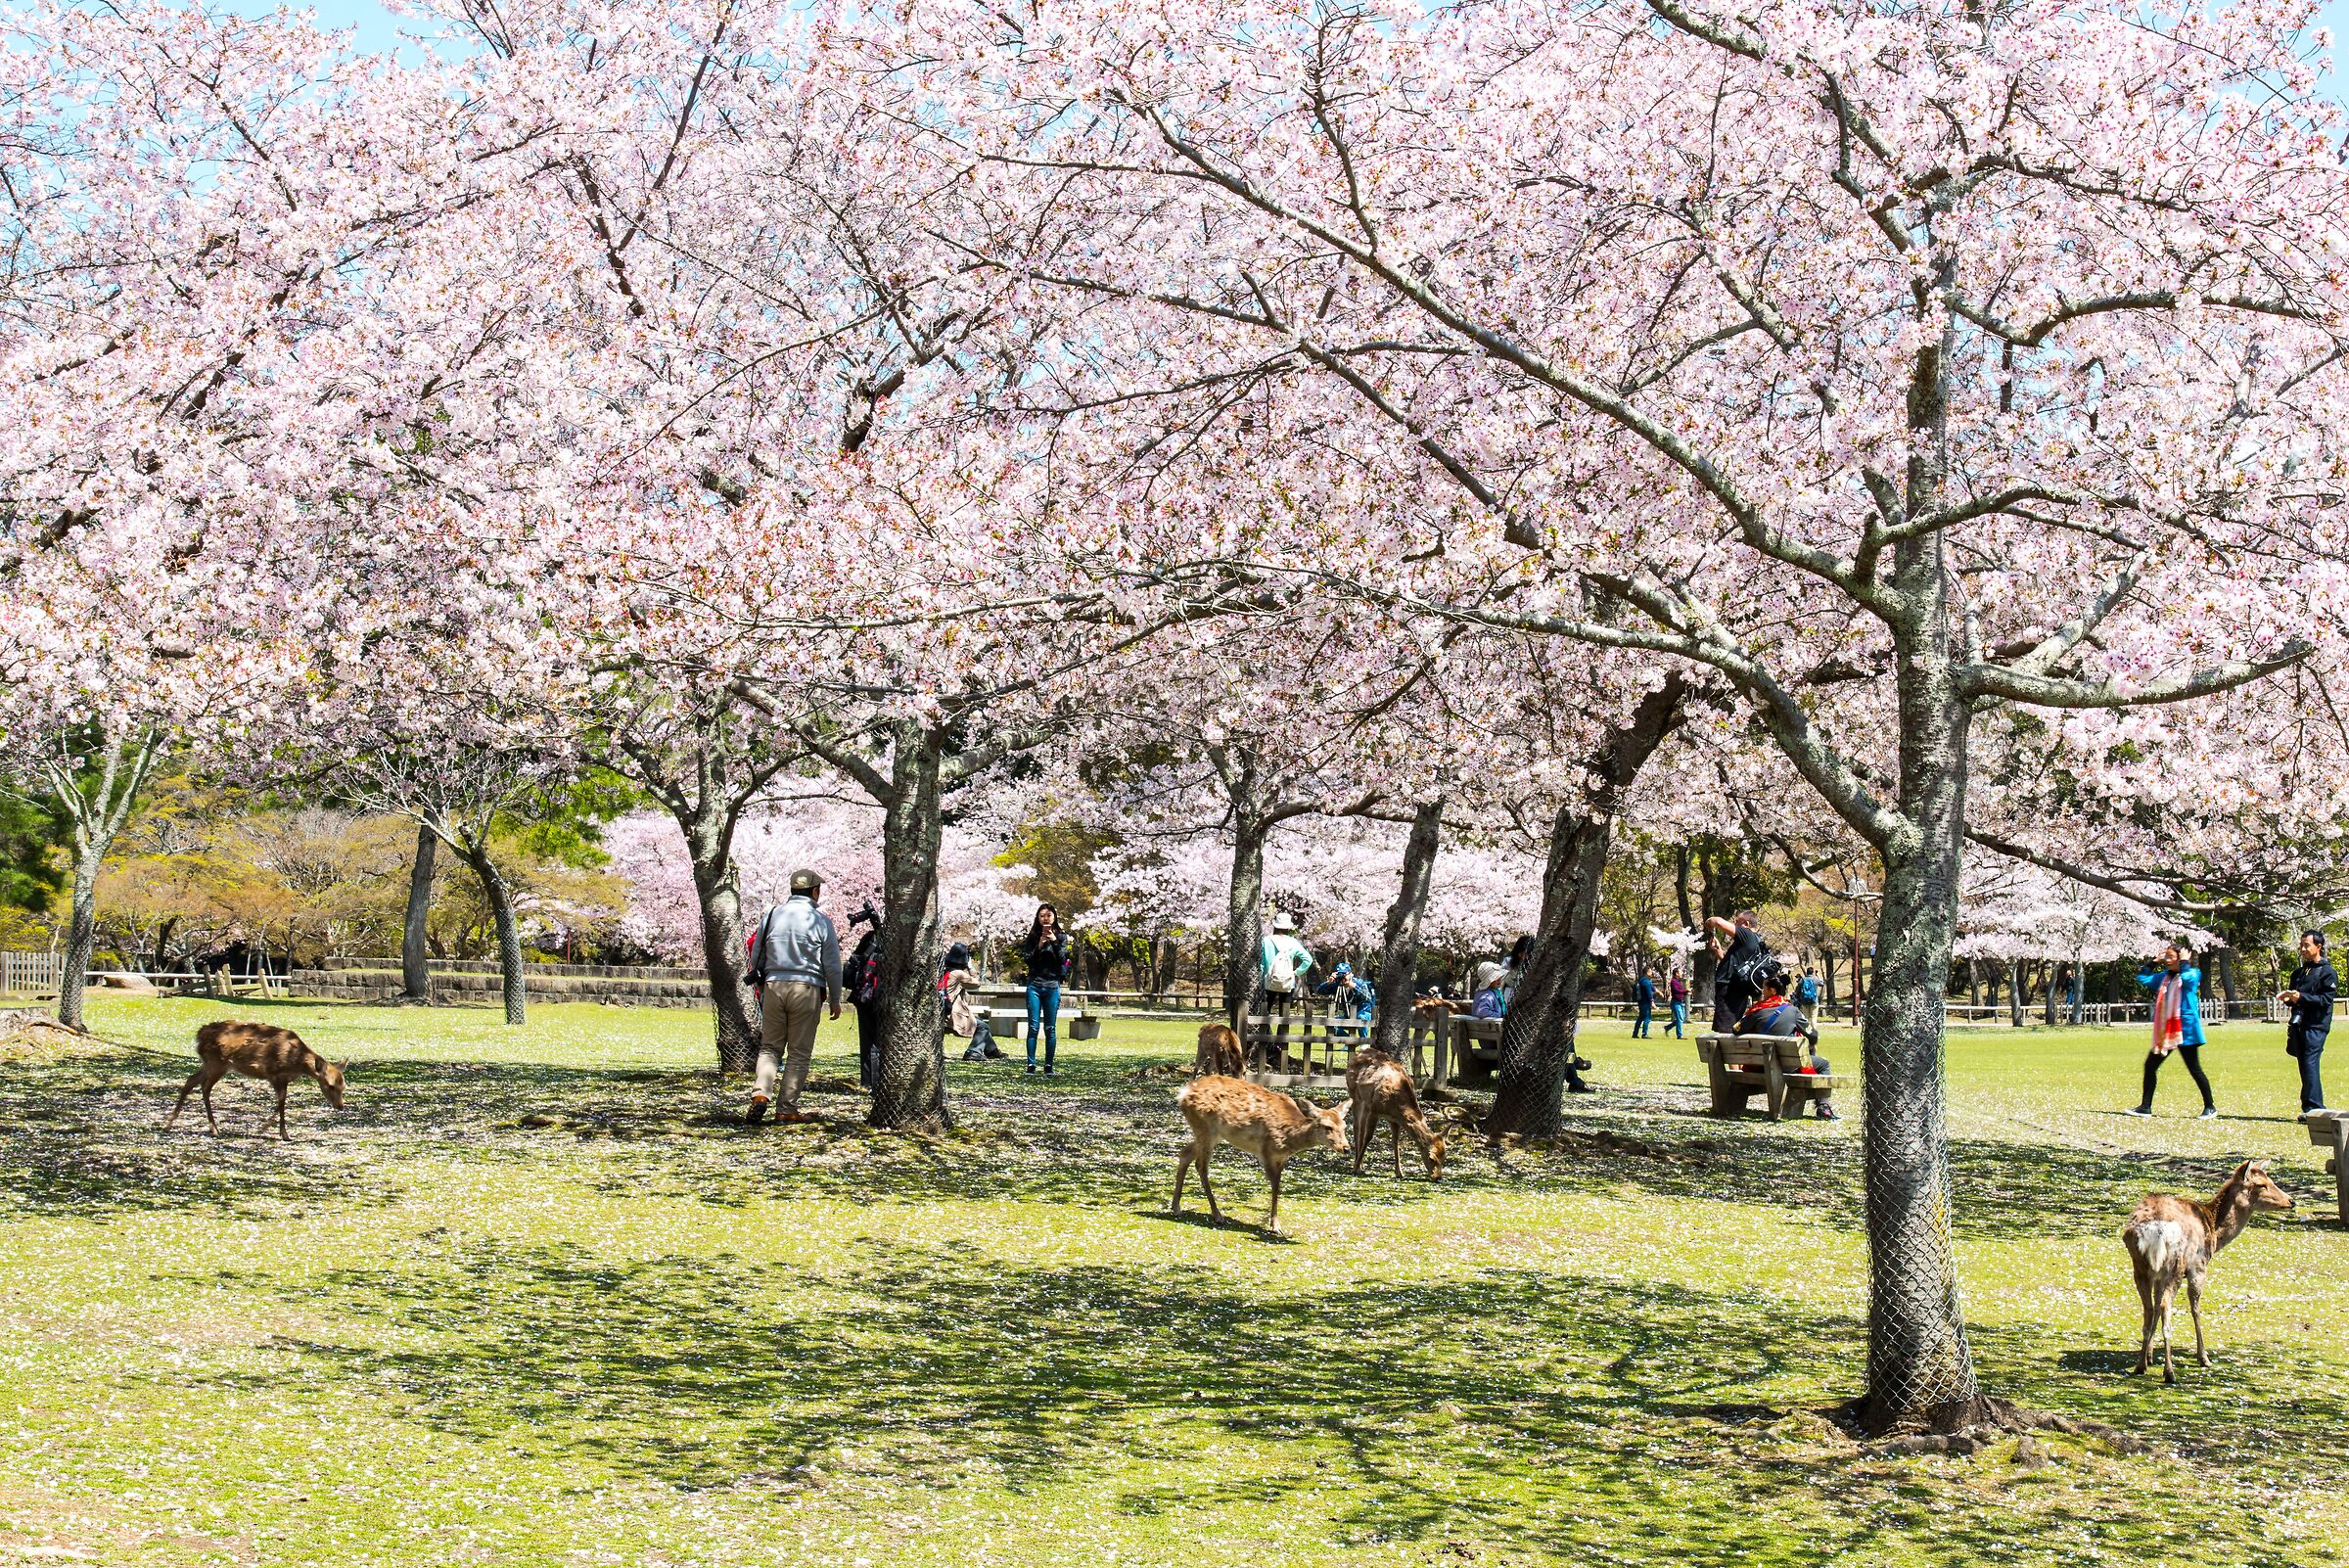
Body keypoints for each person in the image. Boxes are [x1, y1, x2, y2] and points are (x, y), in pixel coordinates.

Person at [743, 868, 842, 1127]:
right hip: (806, 987)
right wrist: (835, 998)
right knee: (798, 1052)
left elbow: (757, 953)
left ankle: (761, 1093)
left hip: (774, 986)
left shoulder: (772, 914)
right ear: (814, 891)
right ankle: (786, 1108)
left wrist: (758, 982)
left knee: (770, 1047)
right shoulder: (820, 920)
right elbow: (831, 964)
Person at [1735, 958, 1837, 1120]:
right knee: (1823, 1064)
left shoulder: (1756, 1011)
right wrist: (1810, 1046)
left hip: (1759, 1065)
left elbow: (1736, 1030)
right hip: (1788, 1066)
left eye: (1764, 989)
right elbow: (1813, 1035)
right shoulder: (1792, 1011)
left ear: (1772, 991)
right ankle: (1823, 1106)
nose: (1762, 991)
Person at [2130, 943, 2215, 1119]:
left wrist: (2184, 963)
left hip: (2186, 1031)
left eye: (2171, 957)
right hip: (2166, 1032)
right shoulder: (2164, 977)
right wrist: (2153, 962)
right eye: (2166, 957)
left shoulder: (2192, 973)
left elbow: (2189, 979)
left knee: (2195, 1069)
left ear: (2181, 959)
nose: (2167, 961)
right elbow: (2142, 978)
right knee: (2150, 1066)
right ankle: (2145, 1107)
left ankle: (2210, 1107)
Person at [2282, 930, 2336, 1112]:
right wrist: (2288, 998)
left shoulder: (2328, 973)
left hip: (2316, 1026)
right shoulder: (2298, 973)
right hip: (2298, 1024)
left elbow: (2325, 1001)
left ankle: (2314, 1108)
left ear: (2318, 947)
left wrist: (2301, 997)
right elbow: (2294, 997)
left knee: (2310, 1064)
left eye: (2307, 945)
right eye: (2301, 945)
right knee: (2304, 1066)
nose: (2303, 949)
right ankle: (2309, 1107)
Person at [1019, 903, 1072, 1076]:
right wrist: (1039, 946)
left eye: (1049, 915)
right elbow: (1028, 960)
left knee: (1050, 1028)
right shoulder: (1033, 937)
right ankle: (1031, 1065)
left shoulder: (1062, 937)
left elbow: (1063, 960)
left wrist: (1055, 942)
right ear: (1038, 918)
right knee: (1033, 1027)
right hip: (1034, 985)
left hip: (1052, 986)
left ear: (1054, 917)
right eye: (1042, 915)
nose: (1045, 918)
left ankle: (1049, 1066)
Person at [1706, 911, 1770, 1033]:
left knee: (1726, 1029)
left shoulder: (1747, 934)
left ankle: (1726, 1051)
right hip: (1738, 987)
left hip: (1729, 989)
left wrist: (1709, 922)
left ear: (1746, 924)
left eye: (1737, 922)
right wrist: (1718, 951)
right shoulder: (1756, 941)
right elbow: (1736, 967)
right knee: (1732, 1025)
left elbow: (1718, 921)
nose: (1735, 924)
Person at [843, 905, 883, 1088]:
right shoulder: (900, 942)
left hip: (866, 994)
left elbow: (855, 961)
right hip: (884, 994)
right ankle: (881, 1082)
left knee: (869, 1041)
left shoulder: (870, 939)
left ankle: (869, 1082)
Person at [1632, 965, 1656, 1038]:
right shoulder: (1646, 982)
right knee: (1647, 1018)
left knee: (1640, 1018)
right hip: (1645, 1002)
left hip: (1641, 1001)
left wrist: (1659, 992)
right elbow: (1649, 992)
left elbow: (1652, 988)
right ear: (1647, 972)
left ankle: (1635, 1033)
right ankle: (1644, 1033)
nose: (1652, 973)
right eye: (1651, 972)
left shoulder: (1642, 980)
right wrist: (1652, 1002)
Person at [1667, 966, 1688, 1038]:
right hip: (1675, 1002)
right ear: (1676, 973)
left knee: (1682, 1018)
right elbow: (1677, 991)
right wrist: (1686, 990)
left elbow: (1680, 992)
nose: (1682, 973)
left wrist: (1686, 993)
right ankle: (1679, 1035)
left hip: (1680, 1002)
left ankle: (1667, 1027)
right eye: (1680, 972)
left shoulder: (1678, 981)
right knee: (1680, 1019)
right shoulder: (1673, 981)